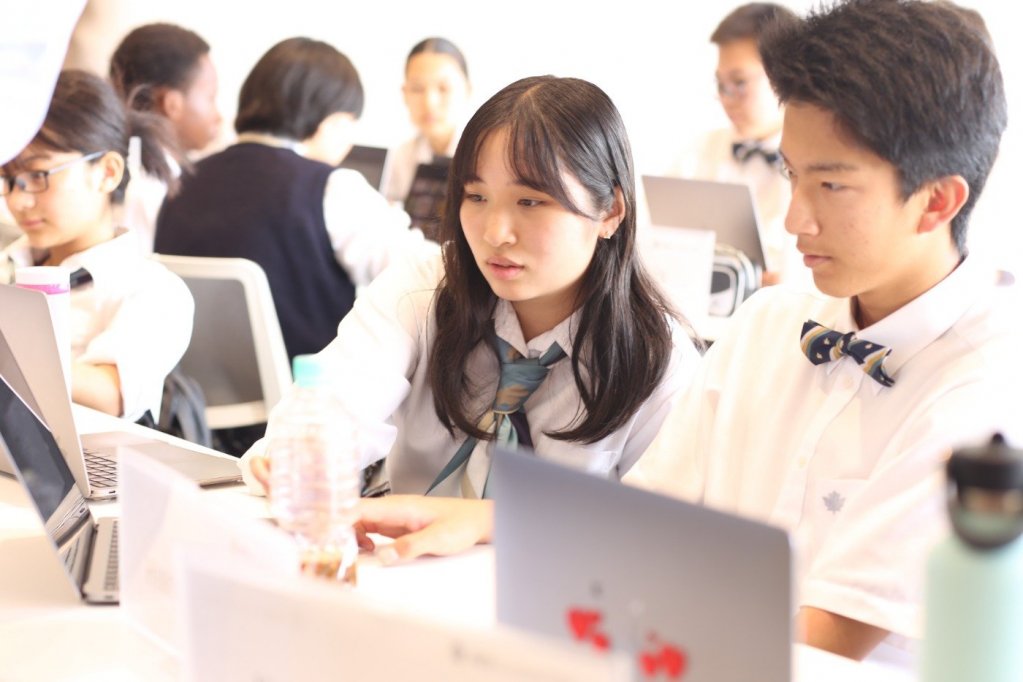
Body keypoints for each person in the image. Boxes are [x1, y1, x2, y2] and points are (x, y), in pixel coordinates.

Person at [340, 0, 1021, 669]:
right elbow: (638, 518)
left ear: (936, 200)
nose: (792, 219)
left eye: (831, 186)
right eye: (790, 174)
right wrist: (483, 522)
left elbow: (825, 640)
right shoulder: (767, 325)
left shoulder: (989, 386)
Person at [242, 75, 698, 499]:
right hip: (399, 554)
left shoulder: (657, 359)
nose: (495, 233)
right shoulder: (423, 289)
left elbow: (659, 533)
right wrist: (305, 452)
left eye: (530, 201)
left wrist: (488, 523)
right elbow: (339, 396)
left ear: (610, 212)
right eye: (476, 197)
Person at [155, 37, 429, 363]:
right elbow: (423, 272)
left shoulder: (180, 182)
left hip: (189, 388)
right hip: (303, 389)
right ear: (331, 122)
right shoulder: (331, 188)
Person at [1, 69, 194, 422]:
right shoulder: (8, 265)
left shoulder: (155, 290)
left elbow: (110, 396)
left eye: (38, 176)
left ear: (107, 172)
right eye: (9, 180)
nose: (18, 201)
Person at [666, 3, 802, 287]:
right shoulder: (698, 154)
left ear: (787, 75)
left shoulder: (821, 163)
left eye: (739, 83)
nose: (726, 98)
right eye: (721, 85)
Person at [109, 22, 222, 252]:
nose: (219, 116)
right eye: (211, 98)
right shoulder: (149, 189)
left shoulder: (110, 167)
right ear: (171, 104)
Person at [380, 37, 471, 205]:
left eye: (443, 88)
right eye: (417, 89)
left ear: (467, 90)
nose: (429, 102)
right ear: (404, 94)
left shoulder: (485, 156)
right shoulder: (398, 160)